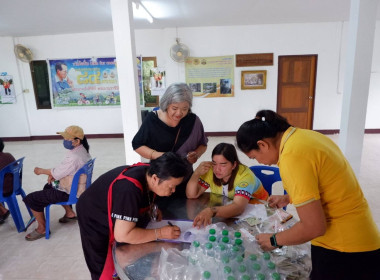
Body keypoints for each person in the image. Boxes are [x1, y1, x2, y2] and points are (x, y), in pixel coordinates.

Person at [236, 110, 380, 280]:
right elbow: (325, 183)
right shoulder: (304, 137)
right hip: (361, 235)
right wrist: (289, 197)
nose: (259, 162)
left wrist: (274, 240)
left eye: (254, 157)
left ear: (263, 145)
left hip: (344, 249)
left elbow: (314, 227)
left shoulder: (292, 156)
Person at [76, 152, 188, 280]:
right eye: (171, 187)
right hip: (94, 216)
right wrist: (160, 233)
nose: (173, 191)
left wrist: (151, 207)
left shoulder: (150, 172)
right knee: (103, 266)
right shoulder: (129, 189)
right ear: (155, 179)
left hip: (113, 207)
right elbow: (123, 235)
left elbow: (143, 196)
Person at [132, 82, 208, 198]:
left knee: (184, 209)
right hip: (161, 178)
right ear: (166, 104)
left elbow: (203, 144)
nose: (179, 113)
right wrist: (158, 155)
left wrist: (196, 154)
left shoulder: (193, 121)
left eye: (185, 109)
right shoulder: (153, 120)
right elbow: (137, 144)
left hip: (184, 177)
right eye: (174, 108)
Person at [23, 125, 91, 241]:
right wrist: (53, 175)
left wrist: (42, 171)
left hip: (70, 192)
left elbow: (59, 172)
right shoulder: (82, 150)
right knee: (48, 185)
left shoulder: (75, 156)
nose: (65, 141)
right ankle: (70, 213)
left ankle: (42, 228)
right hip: (75, 187)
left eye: (67, 139)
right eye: (64, 138)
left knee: (31, 199)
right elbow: (63, 170)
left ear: (77, 141)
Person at [186, 143, 268, 228]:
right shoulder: (211, 170)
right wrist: (196, 174)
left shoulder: (245, 176)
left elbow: (238, 207)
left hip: (260, 213)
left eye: (223, 164)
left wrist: (212, 211)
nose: (217, 169)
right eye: (214, 163)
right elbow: (192, 195)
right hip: (233, 214)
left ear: (234, 165)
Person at [0, 138, 16, 224]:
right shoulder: (9, 155)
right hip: (15, 185)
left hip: (4, 189)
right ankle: (2, 210)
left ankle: (3, 210)